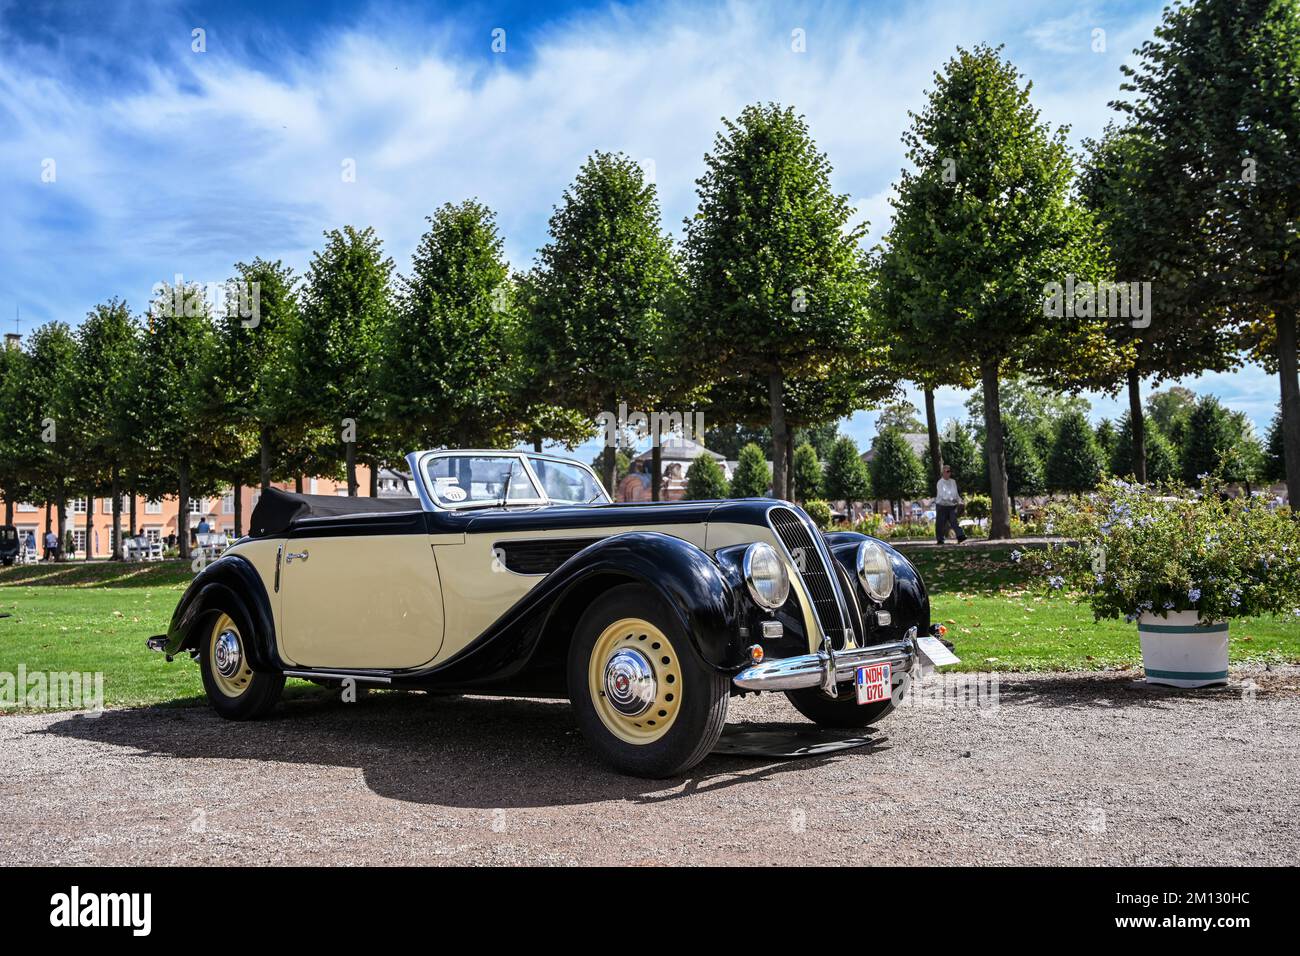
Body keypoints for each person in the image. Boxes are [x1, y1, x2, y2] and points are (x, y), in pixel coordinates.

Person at [935, 464, 967, 544]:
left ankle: (960, 536)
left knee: (954, 521)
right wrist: (952, 500)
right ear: (943, 472)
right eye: (947, 471)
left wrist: (959, 501)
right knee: (940, 524)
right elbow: (943, 495)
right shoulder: (940, 483)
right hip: (942, 506)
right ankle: (940, 539)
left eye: (949, 471)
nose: (949, 473)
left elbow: (955, 494)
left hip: (951, 506)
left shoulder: (953, 482)